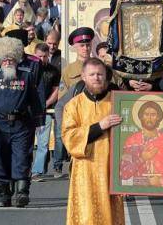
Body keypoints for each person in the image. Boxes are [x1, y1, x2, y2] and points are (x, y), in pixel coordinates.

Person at [0, 36, 43, 207]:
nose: (8, 62)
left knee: (21, 158)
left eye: (11, 59)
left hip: (22, 125)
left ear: (17, 59)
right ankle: (4, 194)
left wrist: (39, 122)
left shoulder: (26, 76)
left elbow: (35, 101)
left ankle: (22, 193)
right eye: (4, 59)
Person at [62, 58, 124, 225]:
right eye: (92, 74)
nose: (96, 78)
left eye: (100, 74)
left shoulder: (118, 102)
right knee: (85, 216)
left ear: (106, 76)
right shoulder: (74, 105)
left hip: (110, 169)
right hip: (84, 171)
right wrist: (100, 126)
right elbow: (69, 136)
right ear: (83, 76)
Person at [30, 42, 63, 182]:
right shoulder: (28, 69)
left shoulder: (54, 71)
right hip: (29, 110)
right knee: (28, 142)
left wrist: (46, 103)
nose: (41, 59)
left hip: (46, 110)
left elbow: (56, 90)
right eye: (39, 56)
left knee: (43, 142)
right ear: (34, 55)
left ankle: (37, 171)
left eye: (44, 56)